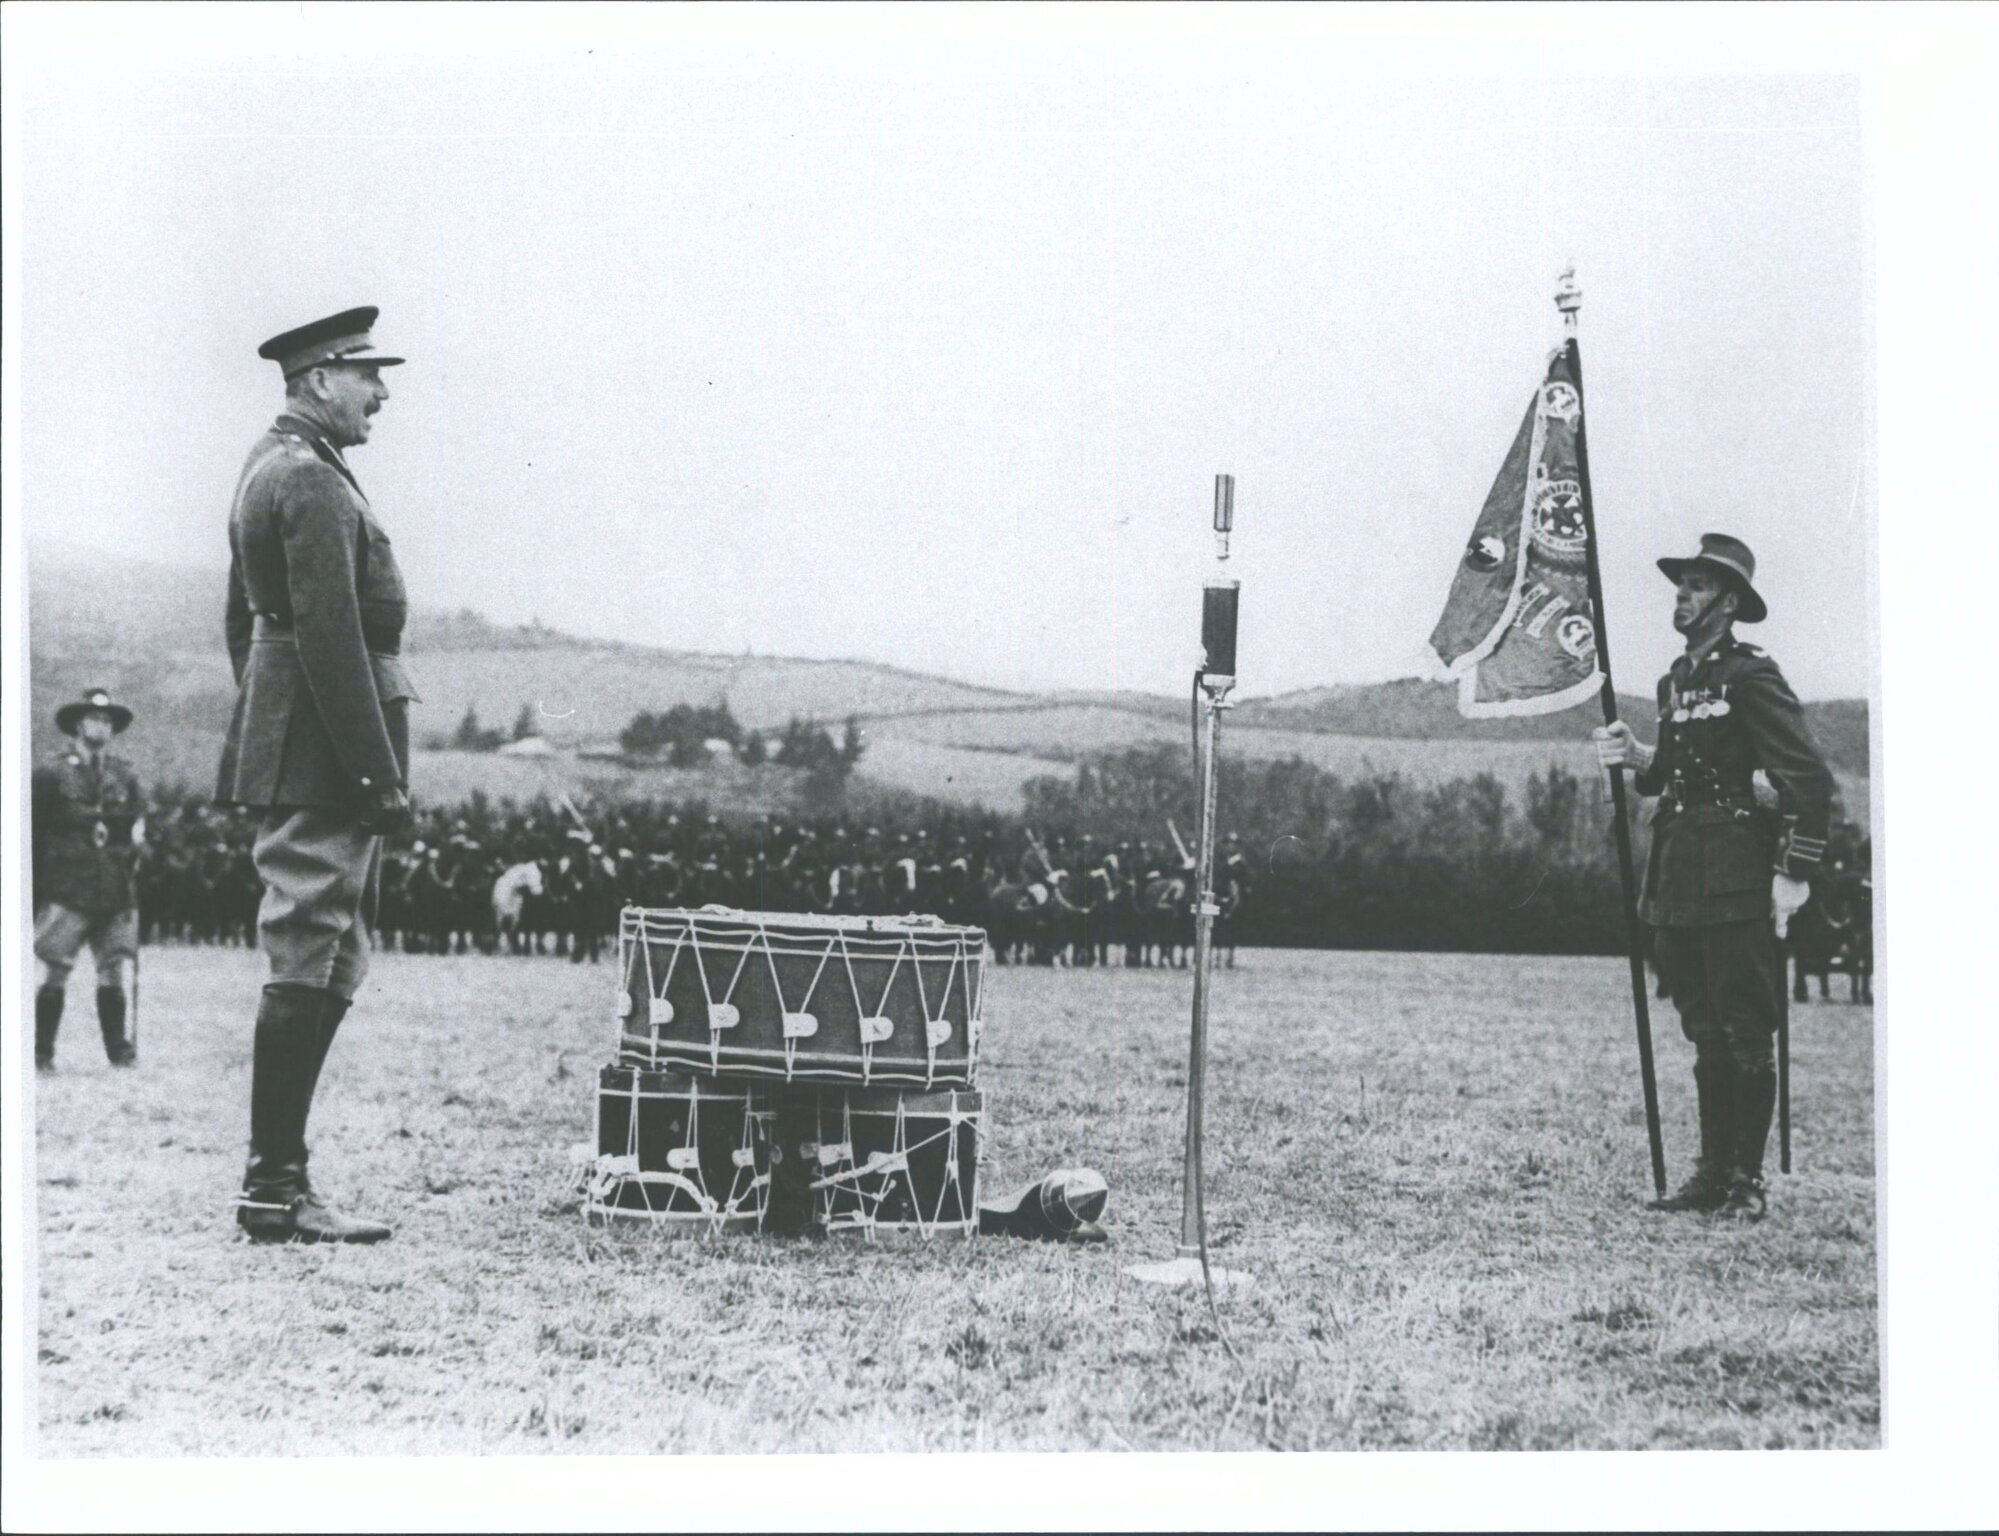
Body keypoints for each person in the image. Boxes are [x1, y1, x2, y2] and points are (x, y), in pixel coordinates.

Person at [216, 306, 413, 1243]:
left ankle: (281, 1180)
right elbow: (330, 638)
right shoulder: (308, 477)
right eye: (370, 375)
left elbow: (242, 626)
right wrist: (375, 775)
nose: (382, 393)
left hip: (307, 742)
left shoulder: (277, 464)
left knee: (334, 951)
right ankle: (273, 1187)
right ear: (322, 378)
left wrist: (272, 717)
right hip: (329, 754)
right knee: (309, 948)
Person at [1593, 533, 1835, 1220]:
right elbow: (1672, 777)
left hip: (1734, 876)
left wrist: (1794, 871)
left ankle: (1745, 1183)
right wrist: (1636, 754)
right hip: (1677, 874)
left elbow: (1808, 777)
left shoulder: (1751, 676)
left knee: (1743, 1029)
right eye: (1682, 583)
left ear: (1728, 603)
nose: (1682, 594)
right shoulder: (1675, 680)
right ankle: (1710, 1174)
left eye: (1698, 585)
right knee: (1703, 1029)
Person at [32, 689, 146, 1070]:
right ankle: (41, 1051)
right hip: (67, 885)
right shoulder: (51, 772)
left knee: (113, 966)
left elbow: (136, 821)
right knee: (56, 966)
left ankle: (119, 1050)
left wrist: (136, 844)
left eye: (108, 721)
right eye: (95, 718)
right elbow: (33, 832)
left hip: (114, 886)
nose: (102, 726)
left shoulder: (124, 773)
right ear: (78, 725)